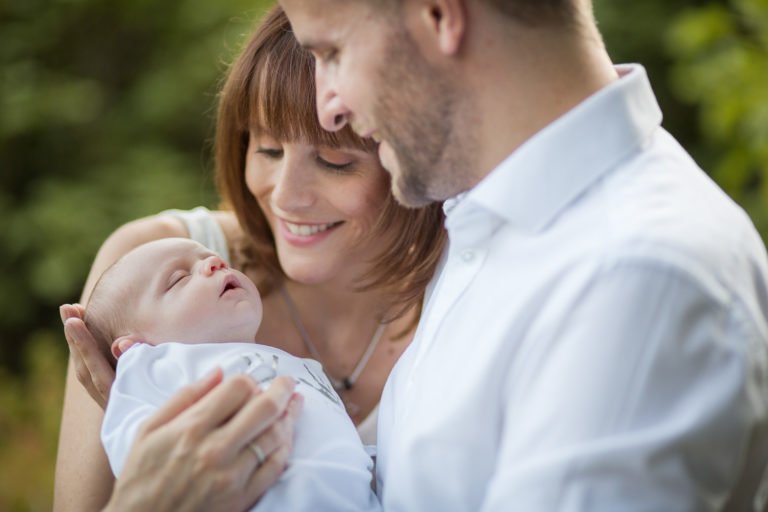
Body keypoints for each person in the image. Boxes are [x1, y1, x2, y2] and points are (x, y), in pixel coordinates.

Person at [275, 0, 768, 510]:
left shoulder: (633, 281)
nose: (328, 106)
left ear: (440, 16)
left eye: (333, 52)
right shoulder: (488, 210)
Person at [55, 6, 445, 512]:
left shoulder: (460, 290)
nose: (286, 196)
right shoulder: (145, 269)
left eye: (334, 161)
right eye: (267, 150)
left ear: (408, 156)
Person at [86, 237, 380, 512]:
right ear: (134, 348)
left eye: (213, 258)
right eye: (179, 279)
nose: (214, 262)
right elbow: (141, 452)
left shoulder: (292, 363)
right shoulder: (155, 363)